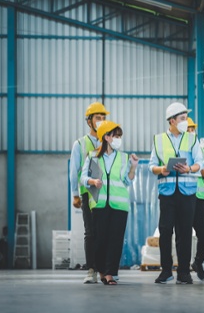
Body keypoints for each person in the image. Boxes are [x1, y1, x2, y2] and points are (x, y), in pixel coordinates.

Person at [148, 103, 204, 285]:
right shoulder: (158, 140)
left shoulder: (192, 139)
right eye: (182, 118)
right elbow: (151, 166)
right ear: (172, 120)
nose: (185, 121)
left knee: (185, 233)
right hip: (167, 193)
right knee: (165, 231)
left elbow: (200, 162)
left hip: (188, 193)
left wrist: (189, 168)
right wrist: (162, 169)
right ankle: (166, 271)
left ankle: (183, 273)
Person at [80, 120, 139, 285]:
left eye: (120, 136)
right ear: (106, 137)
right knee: (100, 240)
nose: (119, 139)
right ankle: (101, 270)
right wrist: (92, 181)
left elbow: (127, 181)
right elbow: (83, 177)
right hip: (99, 204)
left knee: (116, 240)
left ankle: (110, 273)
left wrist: (133, 167)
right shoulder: (92, 156)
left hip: (119, 205)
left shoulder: (124, 157)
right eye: (116, 136)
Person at [69, 102, 109, 284]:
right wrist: (75, 194)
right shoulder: (80, 144)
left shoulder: (108, 141)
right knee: (90, 232)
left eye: (103, 118)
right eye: (97, 118)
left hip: (106, 193)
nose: (101, 121)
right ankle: (91, 269)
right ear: (89, 121)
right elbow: (73, 170)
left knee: (104, 232)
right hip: (88, 193)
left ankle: (104, 270)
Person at [186, 117, 204, 281]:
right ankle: (184, 268)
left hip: (199, 198)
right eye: (188, 129)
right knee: (184, 234)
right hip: (184, 197)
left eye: (192, 129)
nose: (190, 132)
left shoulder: (203, 152)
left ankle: (198, 261)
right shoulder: (177, 151)